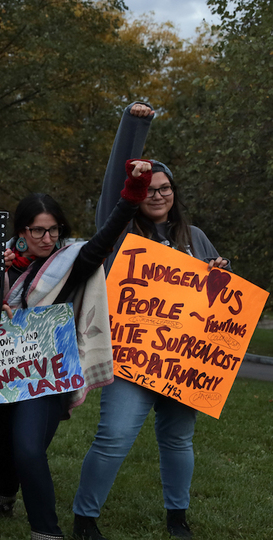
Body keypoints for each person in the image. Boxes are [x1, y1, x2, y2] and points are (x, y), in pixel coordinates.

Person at [0, 157, 155, 540]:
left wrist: (133, 191)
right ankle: (4, 499)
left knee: (28, 450)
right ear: (21, 232)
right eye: (38, 231)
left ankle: (46, 532)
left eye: (54, 230)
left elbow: (109, 234)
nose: (48, 239)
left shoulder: (72, 260)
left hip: (45, 375)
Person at [71, 103, 230, 540]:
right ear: (138, 193)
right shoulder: (121, 234)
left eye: (165, 188)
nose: (158, 194)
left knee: (178, 441)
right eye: (150, 188)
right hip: (131, 360)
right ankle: (85, 519)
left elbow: (218, 301)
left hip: (182, 362)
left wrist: (221, 271)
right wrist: (134, 125)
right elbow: (112, 192)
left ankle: (177, 518)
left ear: (174, 192)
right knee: (114, 439)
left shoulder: (194, 237)